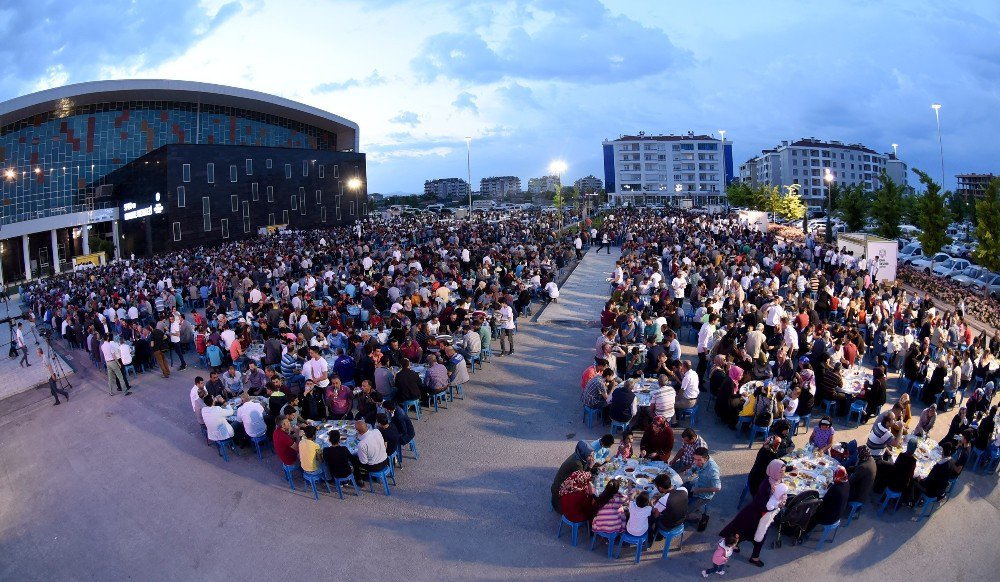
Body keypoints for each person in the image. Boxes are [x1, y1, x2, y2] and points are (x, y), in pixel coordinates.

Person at [720, 460, 788, 568]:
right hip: (756, 515)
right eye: (781, 472)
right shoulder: (766, 486)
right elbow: (762, 504)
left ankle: (744, 550)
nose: (783, 474)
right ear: (774, 471)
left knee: (749, 533)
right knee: (754, 535)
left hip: (761, 515)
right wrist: (777, 505)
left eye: (784, 471)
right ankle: (752, 556)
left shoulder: (776, 479)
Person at [551, 441, 594, 511]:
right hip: (560, 494)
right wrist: (590, 467)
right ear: (584, 453)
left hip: (558, 486)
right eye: (589, 455)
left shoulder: (577, 454)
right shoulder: (577, 464)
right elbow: (583, 478)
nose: (591, 457)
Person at [807, 466, 849, 535]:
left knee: (811, 512)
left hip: (830, 517)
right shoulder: (846, 483)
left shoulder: (836, 489)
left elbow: (823, 500)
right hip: (839, 513)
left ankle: (805, 532)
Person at [684, 447, 721, 518]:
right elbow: (694, 467)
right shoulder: (701, 459)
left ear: (706, 459)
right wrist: (690, 471)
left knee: (683, 513)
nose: (696, 462)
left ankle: (699, 517)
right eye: (694, 459)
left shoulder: (712, 470)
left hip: (703, 495)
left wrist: (700, 490)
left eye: (699, 460)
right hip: (697, 485)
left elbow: (718, 488)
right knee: (680, 488)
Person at [887, 438, 919, 502]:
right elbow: (910, 475)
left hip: (891, 480)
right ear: (915, 449)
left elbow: (895, 465)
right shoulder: (913, 461)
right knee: (914, 481)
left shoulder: (901, 455)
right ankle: (907, 501)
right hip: (900, 486)